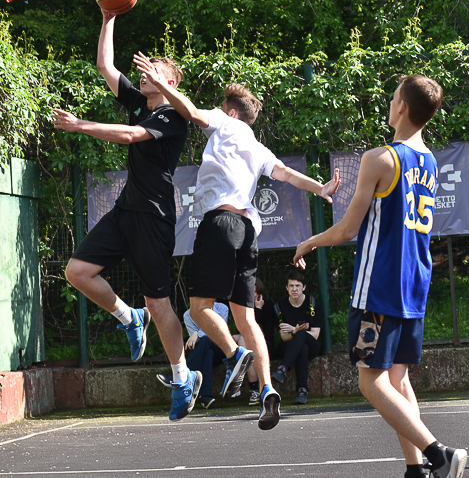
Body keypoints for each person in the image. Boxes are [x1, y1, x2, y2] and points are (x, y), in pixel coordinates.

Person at [134, 52, 340, 431]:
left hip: (221, 222)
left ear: (231, 112)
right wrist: (319, 187)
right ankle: (266, 388)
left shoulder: (223, 121)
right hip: (248, 231)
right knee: (245, 318)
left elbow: (190, 112)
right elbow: (285, 173)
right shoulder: (257, 146)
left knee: (199, 310)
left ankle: (234, 354)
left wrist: (160, 82)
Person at [294, 75, 467, 478]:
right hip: (414, 283)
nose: (390, 103)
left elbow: (347, 230)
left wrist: (310, 242)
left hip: (380, 286)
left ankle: (438, 454)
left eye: (393, 98)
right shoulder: (429, 161)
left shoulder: (381, 158)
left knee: (370, 382)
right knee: (398, 380)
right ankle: (416, 469)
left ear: (402, 107)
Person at [51, 11, 199, 421]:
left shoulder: (173, 116)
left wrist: (81, 125)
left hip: (154, 217)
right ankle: (128, 316)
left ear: (171, 84)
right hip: (126, 209)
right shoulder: (139, 102)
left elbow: (132, 135)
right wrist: (108, 15)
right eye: (147, 68)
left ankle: (182, 376)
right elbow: (105, 65)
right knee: (77, 272)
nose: (146, 73)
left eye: (156, 70)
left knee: (159, 302)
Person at [156, 302, 247, 409]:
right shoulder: (188, 315)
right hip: (205, 351)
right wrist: (197, 335)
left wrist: (197, 333)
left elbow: (219, 332)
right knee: (208, 352)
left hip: (223, 349)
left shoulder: (222, 308)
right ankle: (205, 397)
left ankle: (181, 375)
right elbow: (194, 343)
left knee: (206, 340)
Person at [271, 270, 322, 405]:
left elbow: (315, 335)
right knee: (302, 348)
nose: (294, 289)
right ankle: (302, 391)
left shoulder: (312, 303)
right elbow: (284, 337)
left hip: (312, 345)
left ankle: (283, 368)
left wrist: (295, 329)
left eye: (298, 286)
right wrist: (296, 332)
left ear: (303, 287)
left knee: (302, 338)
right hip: (290, 346)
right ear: (287, 288)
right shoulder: (280, 307)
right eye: (291, 286)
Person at [246, 277, 278, 405]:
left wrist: (258, 310)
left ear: (260, 293)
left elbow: (267, 334)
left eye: (255, 291)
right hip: (247, 345)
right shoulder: (243, 308)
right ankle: (254, 390)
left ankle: (255, 390)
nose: (252, 294)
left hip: (266, 345)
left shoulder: (268, 306)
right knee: (244, 341)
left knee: (246, 343)